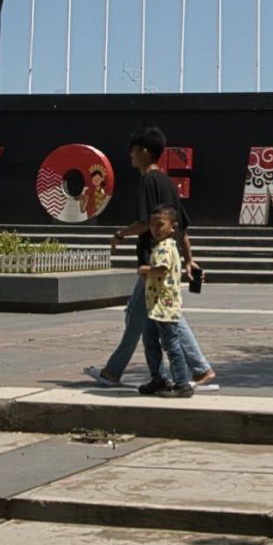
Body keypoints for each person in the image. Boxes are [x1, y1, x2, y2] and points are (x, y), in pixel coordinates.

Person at [84, 125, 217, 390]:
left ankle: (115, 372)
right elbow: (182, 227)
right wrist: (189, 259)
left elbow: (145, 222)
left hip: (153, 263)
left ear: (144, 151)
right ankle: (194, 370)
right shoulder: (167, 182)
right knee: (159, 314)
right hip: (167, 259)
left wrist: (119, 234)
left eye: (133, 151)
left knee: (141, 314)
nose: (130, 156)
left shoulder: (148, 181)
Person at [137, 204, 195, 397]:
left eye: (160, 224)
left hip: (164, 307)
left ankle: (182, 384)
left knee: (171, 345)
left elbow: (161, 270)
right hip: (155, 306)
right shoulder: (165, 246)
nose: (155, 228)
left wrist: (145, 269)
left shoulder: (165, 247)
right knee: (150, 340)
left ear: (173, 227)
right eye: (152, 224)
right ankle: (158, 378)